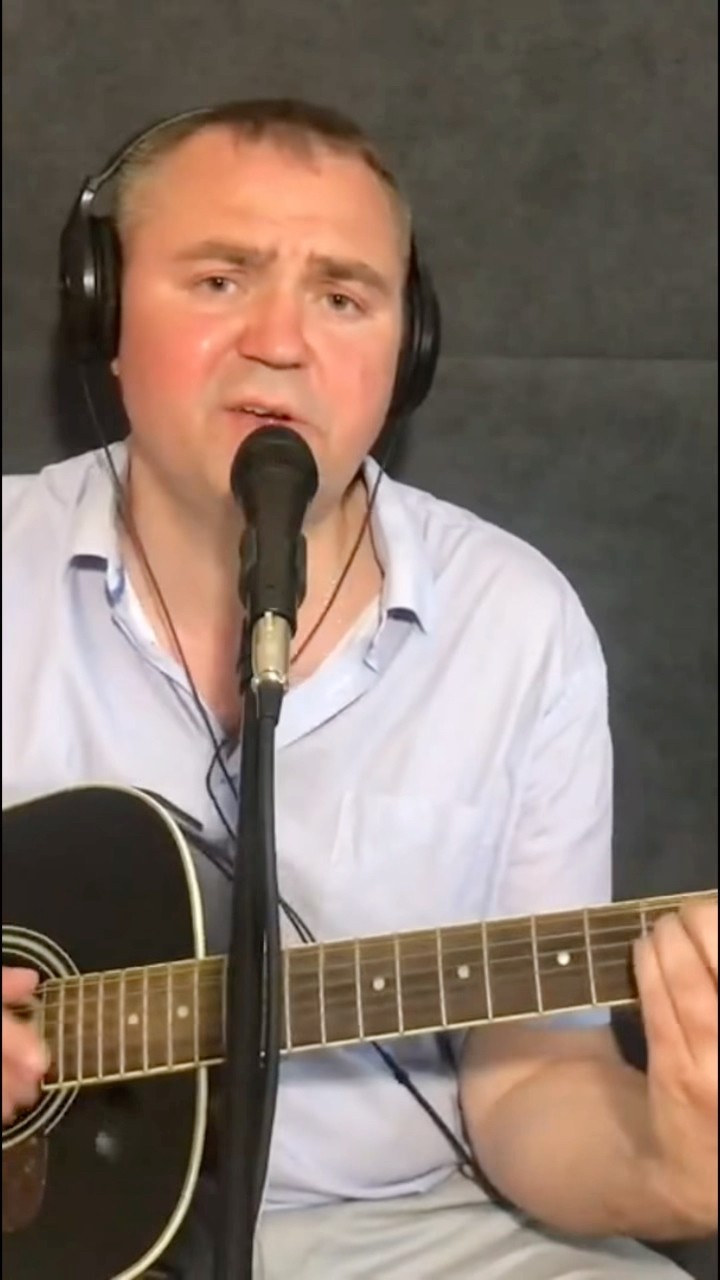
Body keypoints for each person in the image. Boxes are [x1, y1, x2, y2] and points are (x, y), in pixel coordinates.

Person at [2, 98, 716, 1280]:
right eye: (220, 279)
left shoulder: (514, 621)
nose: (281, 341)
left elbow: (533, 1083)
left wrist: (672, 1164)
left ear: (405, 349)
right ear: (103, 312)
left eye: (342, 296)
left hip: (404, 1231)